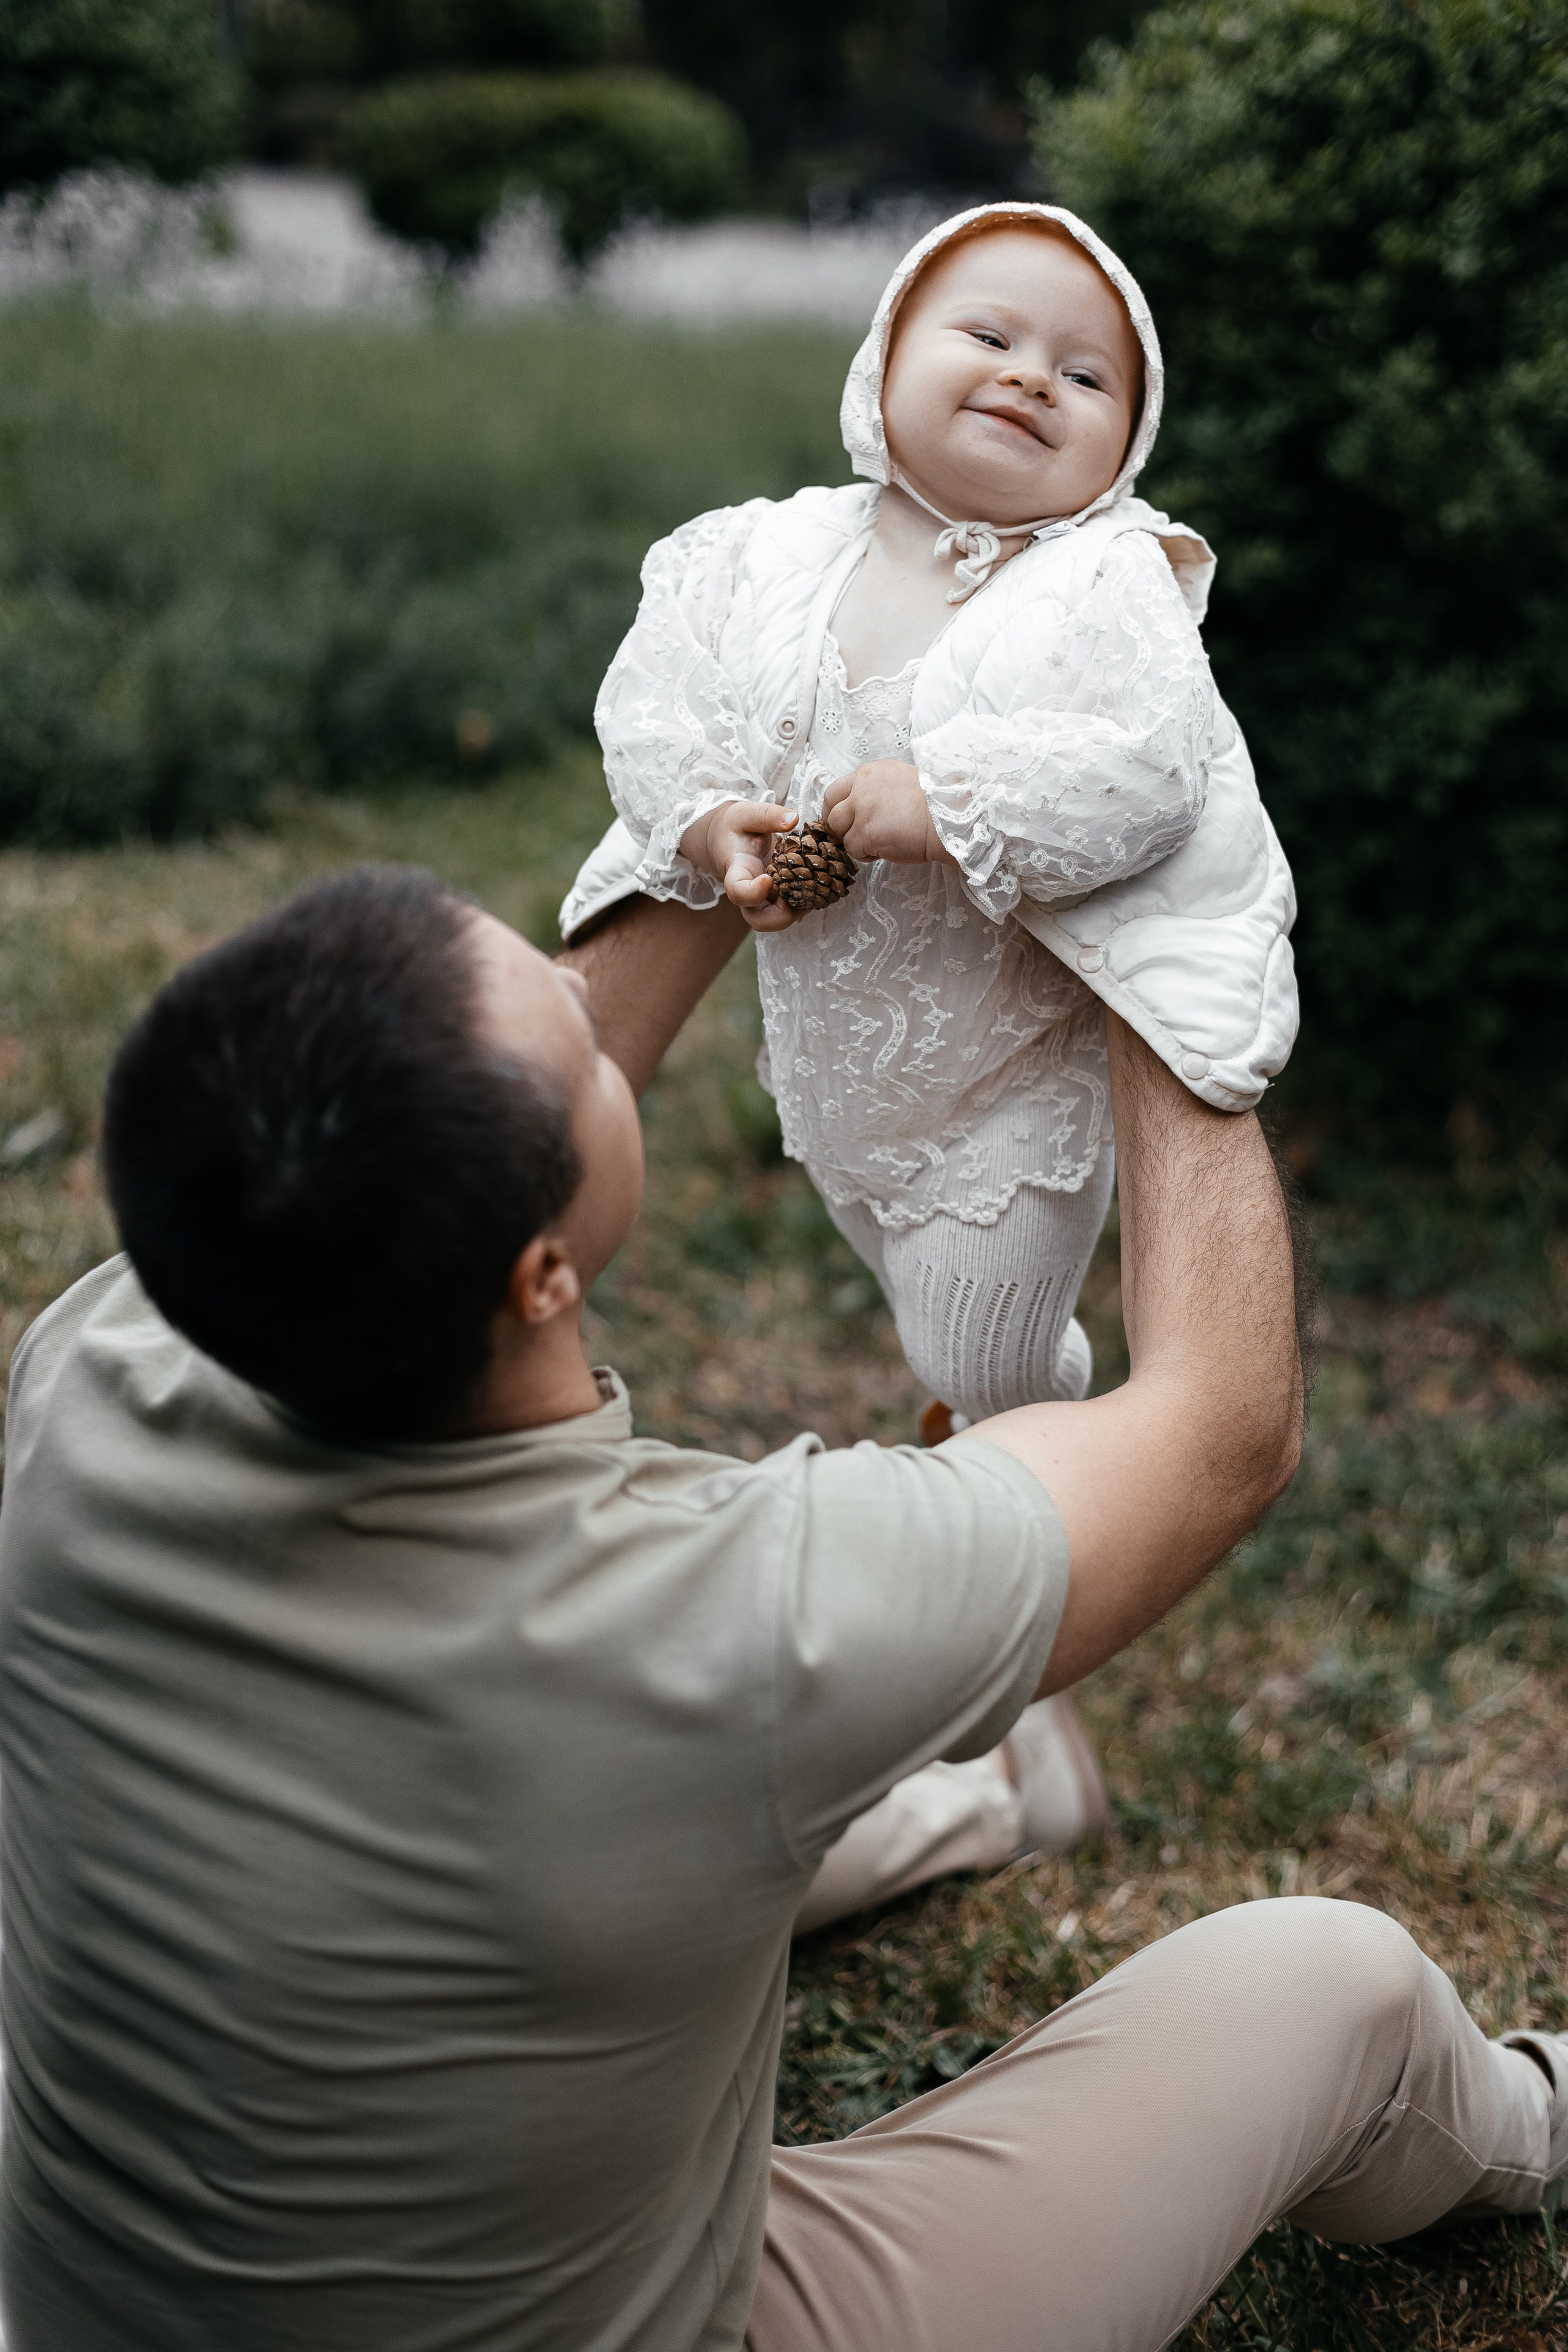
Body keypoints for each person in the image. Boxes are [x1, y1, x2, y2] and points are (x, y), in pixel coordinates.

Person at [2, 865, 1564, 2352]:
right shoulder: (728, 1621)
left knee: (625, 1805)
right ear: (539, 1279)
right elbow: (1219, 1431)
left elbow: (483, 1141)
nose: (587, 997)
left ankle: (980, 1794)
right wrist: (1163, 947)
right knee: (1331, 1986)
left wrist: (738, 782)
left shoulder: (95, 1370)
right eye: (572, 1030)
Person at [564, 201, 1297, 1446]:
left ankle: (1024, 1426)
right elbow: (653, 696)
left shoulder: (1103, 579)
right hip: (835, 1069)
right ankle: (981, 1406)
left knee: (978, 1346)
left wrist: (948, 799)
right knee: (910, 1292)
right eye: (989, 337)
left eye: (1085, 376)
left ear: (1128, 440)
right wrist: (703, 821)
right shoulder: (771, 549)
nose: (1032, 378)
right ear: (885, 357)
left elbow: (1152, 768)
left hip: (1004, 1093)